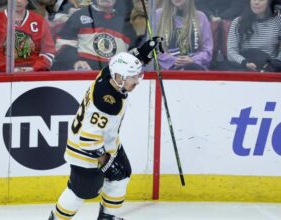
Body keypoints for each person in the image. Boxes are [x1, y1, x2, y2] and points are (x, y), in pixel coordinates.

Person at [48, 37, 163, 220]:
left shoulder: (108, 74)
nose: (137, 81)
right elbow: (88, 139)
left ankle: (107, 218)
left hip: (106, 143)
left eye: (136, 75)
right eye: (133, 77)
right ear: (119, 78)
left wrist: (143, 53)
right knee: (81, 191)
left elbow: (124, 61)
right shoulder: (108, 102)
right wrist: (106, 161)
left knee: (122, 175)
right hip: (84, 151)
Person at [52, 0, 137, 71]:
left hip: (114, 76)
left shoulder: (125, 24)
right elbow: (62, 44)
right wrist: (75, 61)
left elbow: (133, 53)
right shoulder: (79, 16)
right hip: (85, 73)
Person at [0, 0, 55, 72]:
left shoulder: (39, 21)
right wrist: (7, 68)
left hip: (34, 74)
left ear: (27, 1)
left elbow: (48, 51)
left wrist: (34, 68)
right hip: (3, 74)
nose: (18, 1)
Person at [155, 0, 213, 70]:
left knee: (191, 68)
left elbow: (207, 50)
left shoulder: (201, 17)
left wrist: (193, 60)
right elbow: (153, 48)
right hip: (167, 71)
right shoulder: (158, 15)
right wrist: (172, 60)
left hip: (195, 69)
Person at [227, 0, 281, 72]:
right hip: (244, 69)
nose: (256, 2)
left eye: (261, 0)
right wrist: (245, 63)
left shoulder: (278, 21)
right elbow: (231, 52)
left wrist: (273, 65)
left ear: (269, 2)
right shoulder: (238, 22)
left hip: (271, 70)